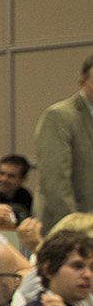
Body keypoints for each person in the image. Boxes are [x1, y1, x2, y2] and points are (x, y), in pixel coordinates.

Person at [35, 54, 93, 229]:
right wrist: (75, 229)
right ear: (82, 83)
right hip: (70, 227)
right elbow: (55, 183)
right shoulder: (60, 116)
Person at [0, 154, 35, 221]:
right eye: (1, 173)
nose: (3, 179)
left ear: (23, 180)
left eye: (11, 176)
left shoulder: (25, 197)